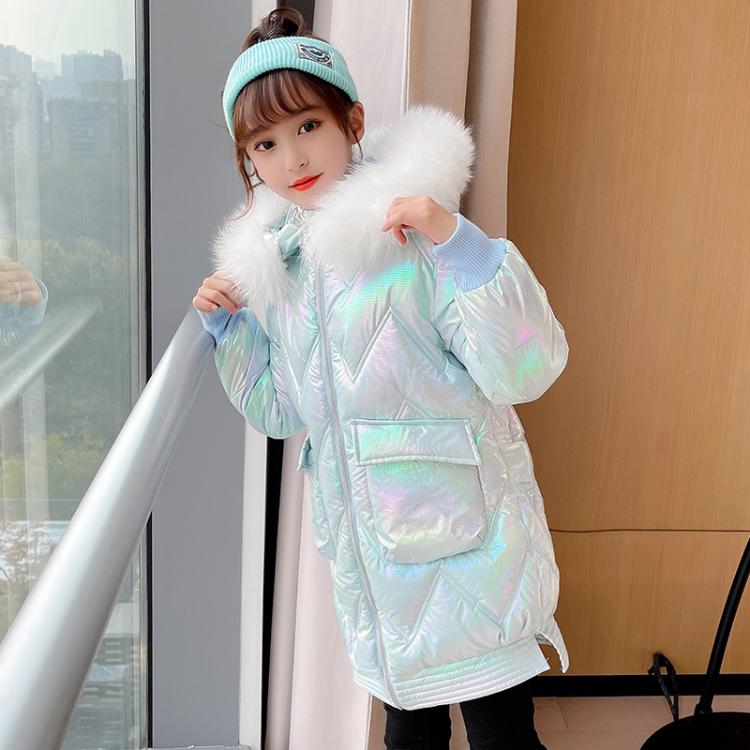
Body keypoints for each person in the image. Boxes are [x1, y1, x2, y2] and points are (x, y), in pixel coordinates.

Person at [193, 8, 569, 749]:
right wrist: (232, 335)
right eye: (265, 144)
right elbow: (280, 412)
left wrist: (461, 244)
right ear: (249, 160)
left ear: (353, 121)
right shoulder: (285, 267)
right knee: (407, 734)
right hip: (376, 569)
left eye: (308, 126)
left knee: (501, 735)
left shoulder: (413, 235)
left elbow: (528, 366)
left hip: (473, 552)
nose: (292, 157)